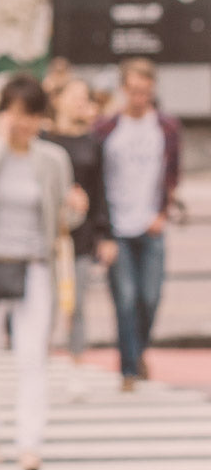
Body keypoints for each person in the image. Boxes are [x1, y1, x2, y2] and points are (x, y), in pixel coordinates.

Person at [0, 76, 75, 470]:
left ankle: (30, 444)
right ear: (2, 112)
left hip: (35, 266)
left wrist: (77, 208)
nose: (23, 122)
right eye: (15, 112)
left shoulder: (53, 159)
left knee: (32, 358)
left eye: (31, 114)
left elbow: (62, 218)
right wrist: (2, 140)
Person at [92, 58, 182, 391]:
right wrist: (101, 229)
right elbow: (94, 176)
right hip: (117, 226)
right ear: (123, 90)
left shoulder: (167, 128)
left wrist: (162, 211)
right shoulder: (106, 130)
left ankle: (139, 350)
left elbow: (173, 173)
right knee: (125, 299)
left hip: (151, 225)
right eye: (133, 91)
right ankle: (128, 368)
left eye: (145, 91)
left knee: (151, 296)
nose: (139, 98)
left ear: (152, 90)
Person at [43, 78, 115, 375]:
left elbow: (101, 190)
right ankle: (40, 358)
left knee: (78, 301)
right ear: (57, 99)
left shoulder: (92, 142)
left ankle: (76, 362)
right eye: (73, 95)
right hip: (48, 234)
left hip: (82, 236)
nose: (79, 102)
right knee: (45, 301)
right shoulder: (43, 140)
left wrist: (105, 233)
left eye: (83, 97)